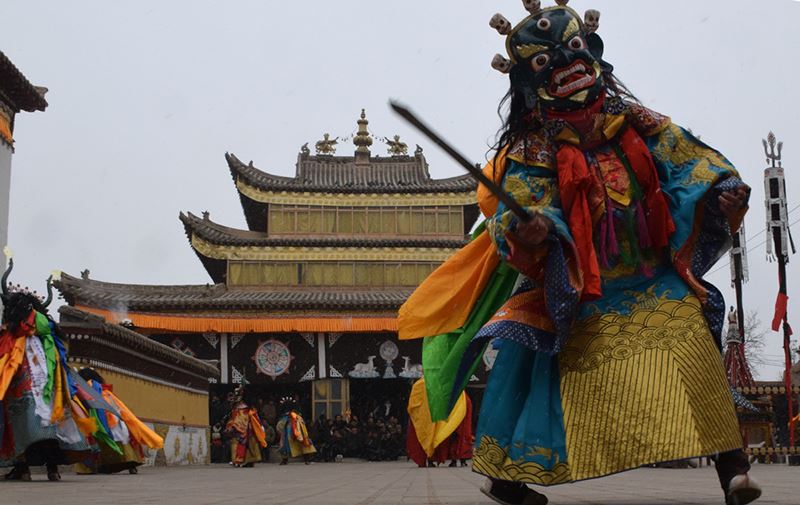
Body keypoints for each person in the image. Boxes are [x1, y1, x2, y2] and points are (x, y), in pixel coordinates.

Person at [398, 2, 758, 505]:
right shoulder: (534, 148)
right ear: (530, 83)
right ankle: (506, 478)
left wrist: (725, 189)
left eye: (573, 52)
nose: (567, 69)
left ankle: (733, 470)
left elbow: (691, 161)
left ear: (592, 57)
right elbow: (519, 203)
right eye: (546, 64)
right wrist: (535, 227)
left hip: (652, 273)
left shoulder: (641, 123)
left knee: (694, 345)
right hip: (582, 284)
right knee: (537, 367)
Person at [0, 264, 91, 481]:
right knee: (51, 430)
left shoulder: (12, 337)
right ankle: (53, 469)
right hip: (51, 392)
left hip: (21, 390)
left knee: (19, 428)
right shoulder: (47, 339)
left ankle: (23, 468)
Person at [74, 368, 163, 474]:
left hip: (100, 421)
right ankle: (131, 463)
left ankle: (93, 467)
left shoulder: (86, 390)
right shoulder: (106, 393)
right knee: (123, 439)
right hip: (116, 420)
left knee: (101, 441)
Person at [224, 386, 267, 468]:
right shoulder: (249, 408)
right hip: (249, 428)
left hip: (243, 428)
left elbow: (237, 418)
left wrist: (232, 425)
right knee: (249, 443)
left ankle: (241, 460)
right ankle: (248, 460)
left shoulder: (241, 408)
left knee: (239, 443)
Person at [276, 396, 316, 464]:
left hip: (291, 434)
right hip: (297, 433)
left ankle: (285, 460)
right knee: (302, 444)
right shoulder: (297, 417)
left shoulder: (286, 418)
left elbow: (279, 427)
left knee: (286, 445)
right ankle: (306, 459)